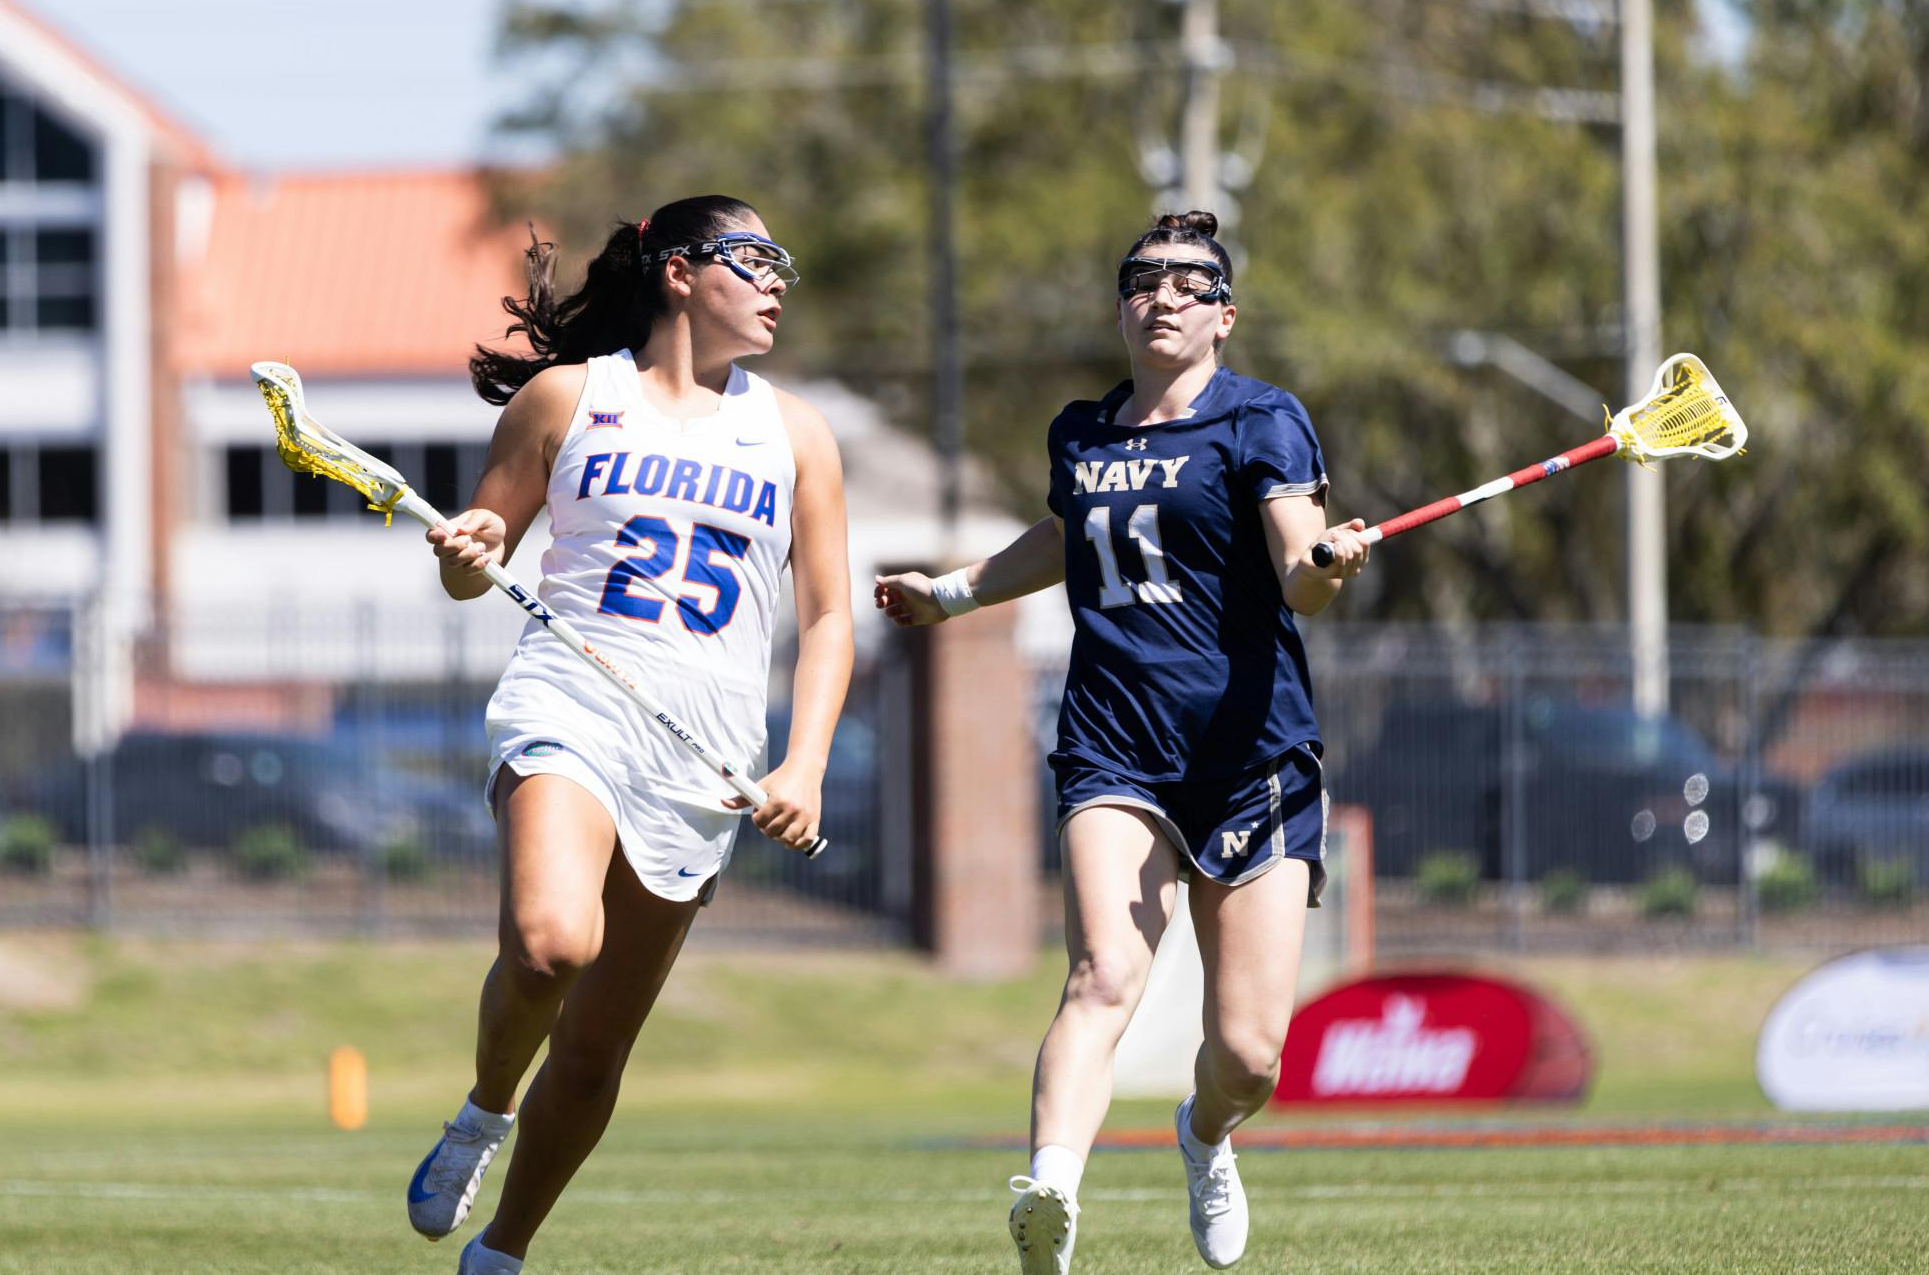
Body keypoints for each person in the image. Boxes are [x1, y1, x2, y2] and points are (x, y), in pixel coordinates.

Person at [874, 211, 1369, 1273]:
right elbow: (1065, 533)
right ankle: (1048, 1192)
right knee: (1102, 970)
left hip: (1250, 759)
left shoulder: (1261, 421)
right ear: (1118, 307)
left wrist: (1329, 562)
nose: (1164, 294)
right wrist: (952, 593)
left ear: (1224, 316)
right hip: (1114, 744)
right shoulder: (1081, 431)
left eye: (1190, 283)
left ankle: (1203, 1133)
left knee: (1247, 1050)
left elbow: (1298, 577)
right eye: (1142, 279)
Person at [408, 195, 854, 1275]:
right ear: (677, 271)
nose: (775, 280)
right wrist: (466, 555)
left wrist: (803, 761)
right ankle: (482, 1105)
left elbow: (831, 614)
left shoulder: (795, 431)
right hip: (571, 705)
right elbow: (476, 558)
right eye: (753, 259)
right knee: (554, 939)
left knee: (599, 1046)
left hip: (700, 758)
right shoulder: (570, 398)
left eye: (779, 261)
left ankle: (502, 1247)